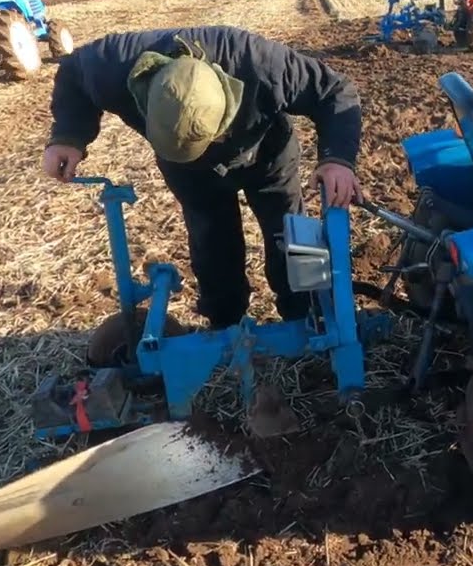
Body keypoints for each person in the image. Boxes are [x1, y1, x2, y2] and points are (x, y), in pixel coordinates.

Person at [42, 27, 363, 335]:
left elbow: (334, 92)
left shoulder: (257, 62)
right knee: (212, 243)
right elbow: (72, 73)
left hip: (267, 157)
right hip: (188, 173)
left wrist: (337, 160)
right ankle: (225, 322)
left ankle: (304, 314)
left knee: (289, 233)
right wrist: (68, 136)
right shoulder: (112, 67)